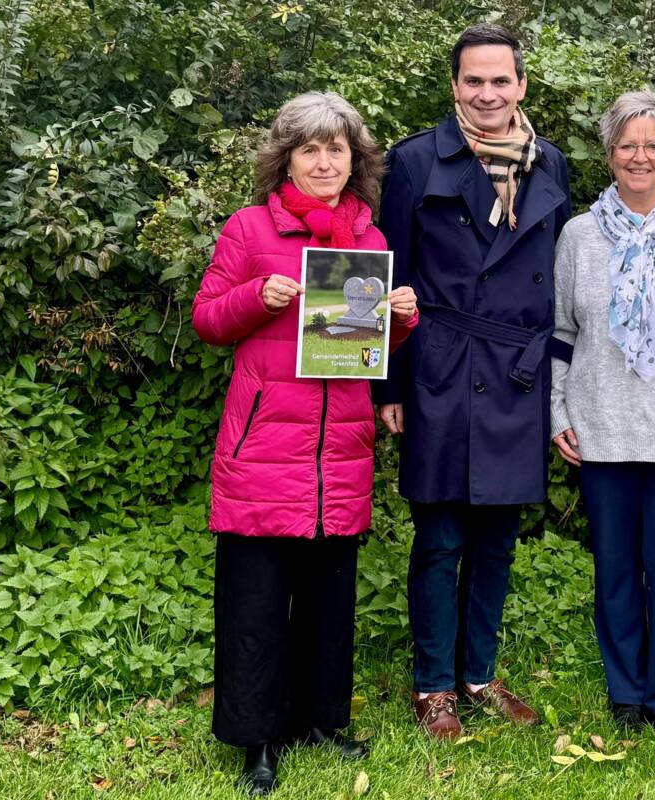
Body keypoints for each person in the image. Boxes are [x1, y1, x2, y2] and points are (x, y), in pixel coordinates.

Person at [192, 91, 418, 796]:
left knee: (329, 599)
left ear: (356, 160)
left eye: (337, 149)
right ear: (286, 158)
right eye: (311, 149)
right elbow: (207, 319)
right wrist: (256, 295)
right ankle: (257, 740)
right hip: (264, 449)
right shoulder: (249, 228)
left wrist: (400, 319)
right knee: (256, 604)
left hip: (339, 449)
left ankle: (321, 721)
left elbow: (369, 347)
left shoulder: (369, 238)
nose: (325, 161)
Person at [374, 23, 571, 740]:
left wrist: (557, 381)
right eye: (474, 80)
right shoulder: (414, 162)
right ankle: (433, 686)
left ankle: (479, 674)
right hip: (441, 367)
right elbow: (387, 278)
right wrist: (388, 386)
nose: (487, 93)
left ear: (521, 85)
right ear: (455, 86)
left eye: (501, 80)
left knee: (497, 538)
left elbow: (558, 276)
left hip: (518, 374)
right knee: (440, 536)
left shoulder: (550, 163)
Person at [549, 90, 655, 729]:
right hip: (599, 428)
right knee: (616, 566)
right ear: (609, 154)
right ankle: (627, 691)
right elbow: (561, 333)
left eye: (652, 145)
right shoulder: (579, 236)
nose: (639, 157)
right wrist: (556, 413)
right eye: (627, 145)